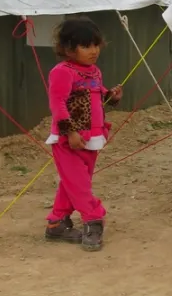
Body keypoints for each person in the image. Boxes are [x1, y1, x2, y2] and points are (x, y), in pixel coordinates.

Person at [45, 16, 122, 251]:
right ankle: (93, 219)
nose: (93, 51)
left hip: (92, 138)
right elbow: (57, 103)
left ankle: (56, 223)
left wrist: (111, 96)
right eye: (86, 46)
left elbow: (95, 95)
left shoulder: (94, 71)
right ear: (69, 48)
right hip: (69, 140)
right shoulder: (62, 72)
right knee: (79, 184)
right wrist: (70, 132)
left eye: (96, 45)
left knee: (75, 182)